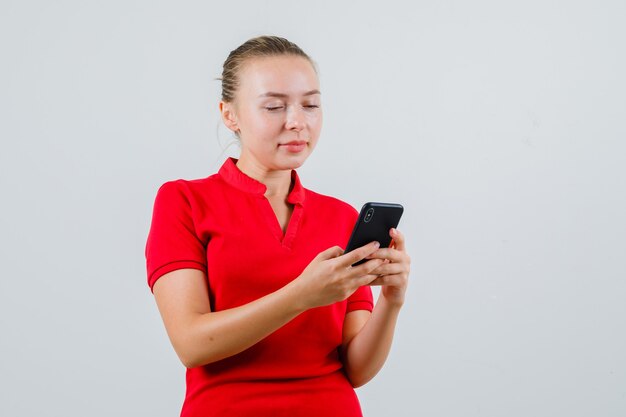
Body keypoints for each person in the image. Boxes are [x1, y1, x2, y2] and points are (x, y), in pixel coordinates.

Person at [145, 35, 411, 417]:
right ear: (229, 114)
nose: (298, 122)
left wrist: (392, 301)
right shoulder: (183, 201)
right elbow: (191, 343)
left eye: (311, 104)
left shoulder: (340, 217)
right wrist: (301, 295)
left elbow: (356, 369)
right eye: (273, 106)